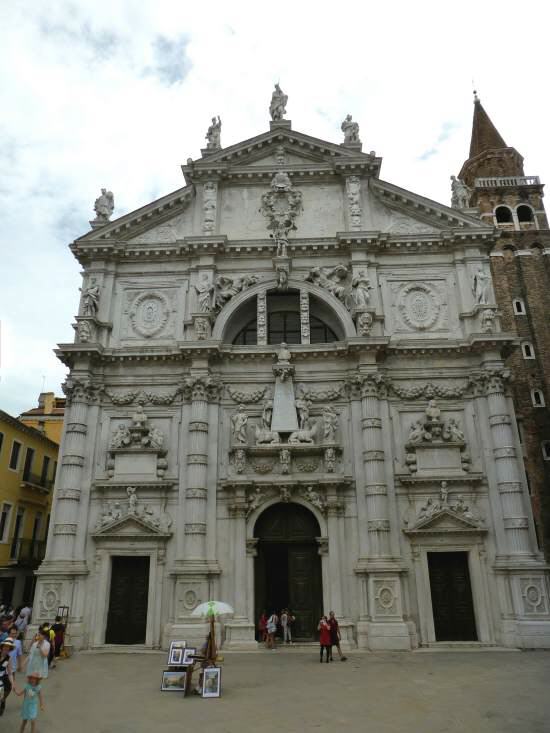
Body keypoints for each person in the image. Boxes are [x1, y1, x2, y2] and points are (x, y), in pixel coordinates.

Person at [0, 638, 16, 715]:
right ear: (2, 646)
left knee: (7, 689)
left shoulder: (9, 659)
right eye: (5, 646)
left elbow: (10, 673)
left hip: (1, 679)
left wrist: (13, 683)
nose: (6, 648)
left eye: (8, 647)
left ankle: (2, 701)